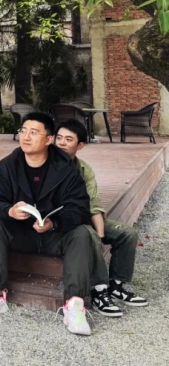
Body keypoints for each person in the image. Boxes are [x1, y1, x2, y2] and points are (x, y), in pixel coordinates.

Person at [0, 112, 96, 336]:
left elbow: (79, 208)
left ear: (48, 139)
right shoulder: (8, 166)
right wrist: (9, 211)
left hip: (54, 235)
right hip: (21, 234)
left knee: (81, 233)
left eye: (33, 132)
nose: (26, 137)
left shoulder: (67, 169)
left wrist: (53, 222)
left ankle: (74, 305)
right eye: (23, 131)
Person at [55, 119, 148, 315]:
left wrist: (101, 234)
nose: (62, 143)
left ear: (80, 145)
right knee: (89, 235)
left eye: (68, 139)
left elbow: (94, 205)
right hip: (64, 223)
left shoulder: (83, 169)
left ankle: (116, 285)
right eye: (59, 138)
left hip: (86, 217)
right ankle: (99, 290)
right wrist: (94, 237)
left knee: (127, 233)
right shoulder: (47, 165)